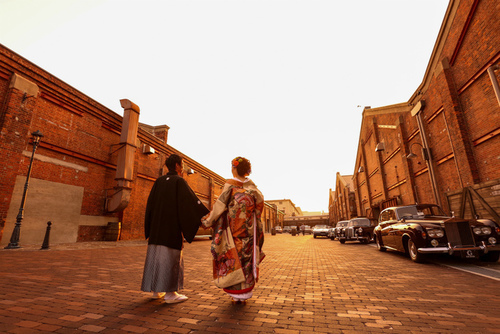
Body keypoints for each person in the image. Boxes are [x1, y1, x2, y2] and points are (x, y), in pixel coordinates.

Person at [141, 154, 209, 303]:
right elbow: (189, 205)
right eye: (182, 164)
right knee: (171, 259)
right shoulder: (179, 181)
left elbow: (150, 205)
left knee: (156, 257)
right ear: (177, 166)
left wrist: (149, 227)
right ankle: (171, 293)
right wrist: (202, 220)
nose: (183, 167)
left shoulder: (158, 182)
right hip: (171, 229)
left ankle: (156, 290)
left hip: (156, 229)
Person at [201, 157, 265, 304]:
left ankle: (237, 294)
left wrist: (207, 221)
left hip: (233, 231)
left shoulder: (230, 186)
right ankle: (245, 293)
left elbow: (220, 205)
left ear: (234, 168)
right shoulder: (254, 189)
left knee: (235, 260)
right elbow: (259, 209)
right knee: (246, 261)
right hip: (248, 232)